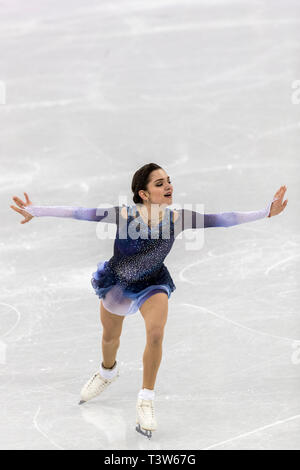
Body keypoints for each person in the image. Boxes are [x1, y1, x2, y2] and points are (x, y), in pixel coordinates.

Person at [10, 163, 288, 439]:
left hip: (153, 284)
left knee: (155, 334)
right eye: (159, 183)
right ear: (143, 194)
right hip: (117, 284)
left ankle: (146, 399)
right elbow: (78, 213)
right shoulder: (123, 216)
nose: (168, 186)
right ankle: (107, 372)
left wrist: (265, 212)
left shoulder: (180, 218)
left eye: (169, 180)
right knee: (110, 338)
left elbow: (223, 219)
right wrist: (36, 211)